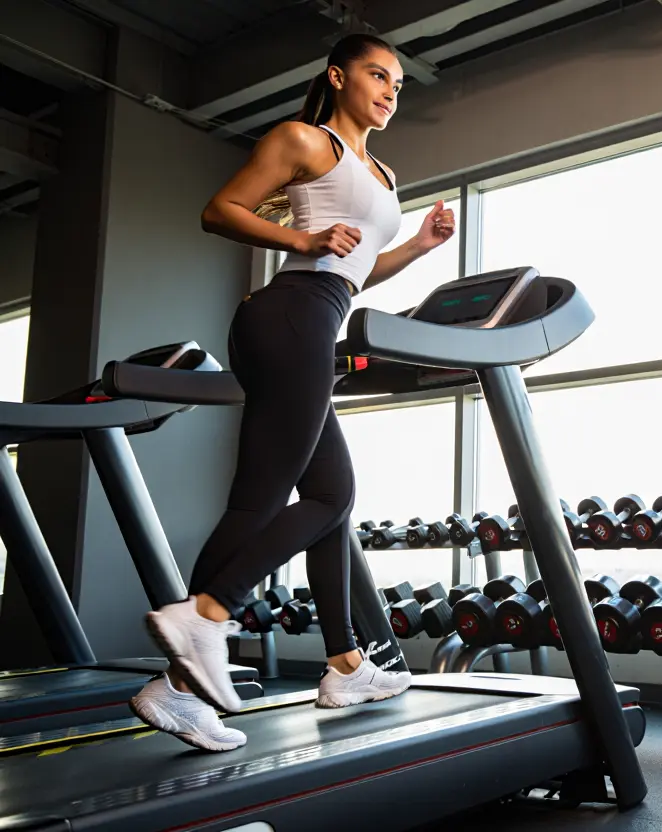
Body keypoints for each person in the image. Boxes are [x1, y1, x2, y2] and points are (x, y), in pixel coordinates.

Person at [129, 33, 456, 752]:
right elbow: (221, 210)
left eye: (398, 82)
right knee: (288, 499)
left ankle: (339, 663)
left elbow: (358, 270)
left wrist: (421, 246)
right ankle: (206, 616)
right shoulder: (305, 141)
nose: (390, 90)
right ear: (338, 77)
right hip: (289, 315)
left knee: (330, 493)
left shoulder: (382, 171)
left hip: (317, 316)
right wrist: (304, 242)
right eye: (377, 75)